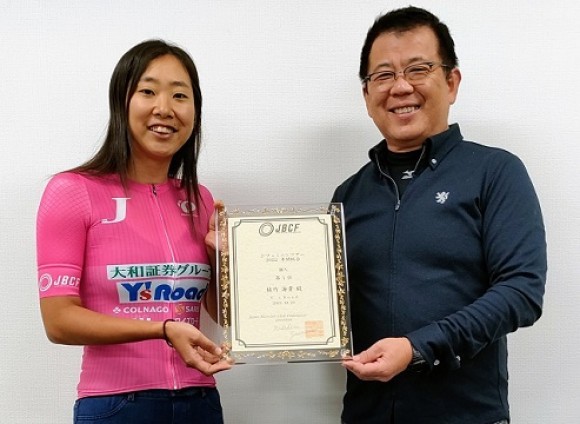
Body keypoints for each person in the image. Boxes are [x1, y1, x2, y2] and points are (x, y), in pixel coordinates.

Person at [332, 6, 546, 424]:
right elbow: (319, 305)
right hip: (366, 414)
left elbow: (521, 291)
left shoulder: (495, 172)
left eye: (417, 69)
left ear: (451, 82)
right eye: (383, 75)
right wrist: (239, 264)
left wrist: (418, 348)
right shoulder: (348, 196)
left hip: (466, 415)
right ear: (367, 95)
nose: (400, 87)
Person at [36, 39, 232, 424]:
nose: (165, 108)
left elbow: (222, 315)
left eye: (180, 95)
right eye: (148, 91)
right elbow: (58, 321)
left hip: (201, 401)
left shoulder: (201, 199)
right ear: (121, 102)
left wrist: (221, 259)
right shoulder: (72, 191)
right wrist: (163, 329)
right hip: (116, 404)